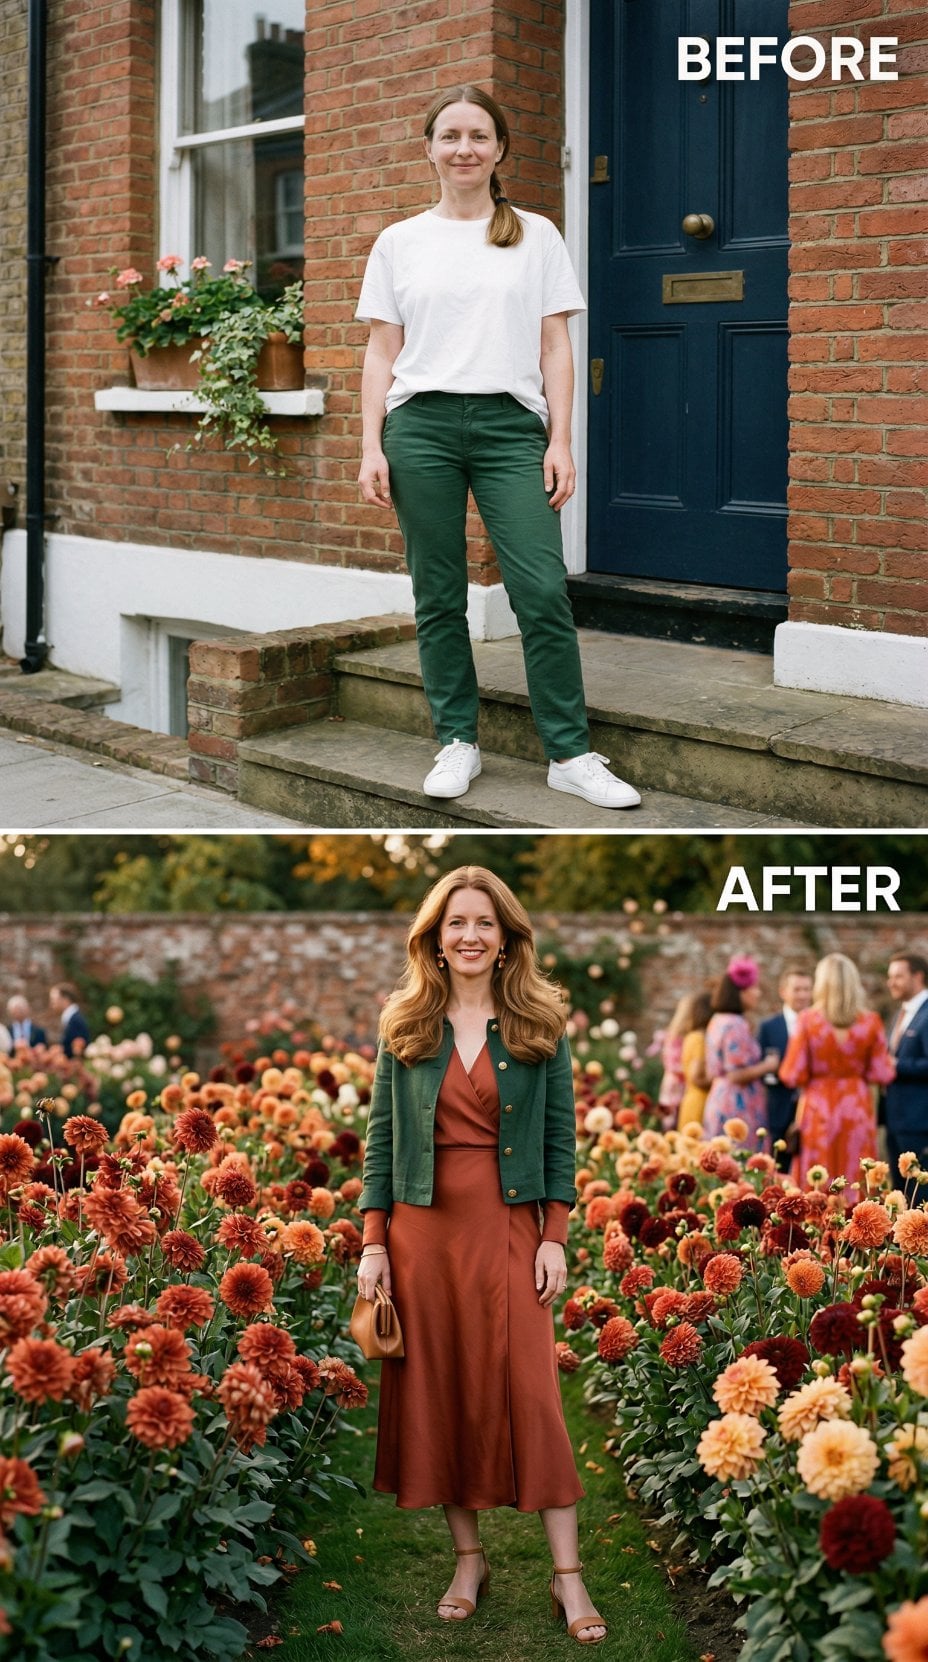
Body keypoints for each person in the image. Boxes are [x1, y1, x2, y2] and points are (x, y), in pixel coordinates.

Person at [356, 84, 640, 813]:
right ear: (428, 148)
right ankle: (457, 740)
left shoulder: (535, 235)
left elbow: (555, 345)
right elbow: (381, 353)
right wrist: (370, 447)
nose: (464, 149)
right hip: (418, 426)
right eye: (450, 135)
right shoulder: (399, 242)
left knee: (541, 589)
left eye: (478, 136)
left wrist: (562, 440)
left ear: (500, 149)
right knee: (439, 594)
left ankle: (570, 754)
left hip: (512, 428)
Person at [356, 866, 607, 1644]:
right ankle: (469, 1560)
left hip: (508, 1228)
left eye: (484, 924)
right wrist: (373, 1246)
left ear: (506, 940)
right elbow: (381, 1142)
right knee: (442, 1394)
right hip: (420, 1234)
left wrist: (555, 1234)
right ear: (434, 937)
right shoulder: (405, 1024)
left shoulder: (539, 1026)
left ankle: (569, 1579)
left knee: (533, 1395)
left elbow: (562, 1142)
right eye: (455, 922)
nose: (469, 935)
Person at [779, 953, 894, 1198]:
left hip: (818, 1105)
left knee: (818, 1174)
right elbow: (882, 1073)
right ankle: (859, 1228)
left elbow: (792, 1073)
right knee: (857, 1170)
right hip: (857, 1104)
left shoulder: (808, 1021)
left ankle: (818, 1230)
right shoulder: (870, 1022)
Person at [702, 956, 777, 1143]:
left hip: (718, 1097)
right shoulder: (735, 1024)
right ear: (741, 993)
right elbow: (736, 1074)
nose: (758, 993)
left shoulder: (718, 1020)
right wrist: (768, 1066)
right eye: (754, 988)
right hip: (736, 1105)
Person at [757, 965, 813, 1170]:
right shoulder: (769, 1027)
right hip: (778, 1108)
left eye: (807, 989)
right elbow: (760, 1068)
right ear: (783, 992)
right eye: (797, 989)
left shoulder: (820, 1025)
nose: (803, 995)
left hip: (811, 1110)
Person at [883, 952, 928, 1189]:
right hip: (896, 1120)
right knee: (901, 1194)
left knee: (919, 1196)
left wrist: (896, 1065)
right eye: (890, 976)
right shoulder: (901, 1014)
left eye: (898, 976)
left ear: (917, 976)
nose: (891, 982)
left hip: (919, 1122)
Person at [678, 991, 713, 1131]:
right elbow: (697, 1077)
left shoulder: (691, 1036)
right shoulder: (700, 1039)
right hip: (700, 1102)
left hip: (691, 1099)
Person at [657, 994, 694, 1125]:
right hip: (676, 1085)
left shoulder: (681, 1035)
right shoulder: (676, 1036)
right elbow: (673, 1065)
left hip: (680, 1083)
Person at [48, 983, 91, 1058]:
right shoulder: (70, 1018)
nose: (52, 1003)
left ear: (65, 999)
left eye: (54, 999)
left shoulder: (76, 1020)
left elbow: (79, 1048)